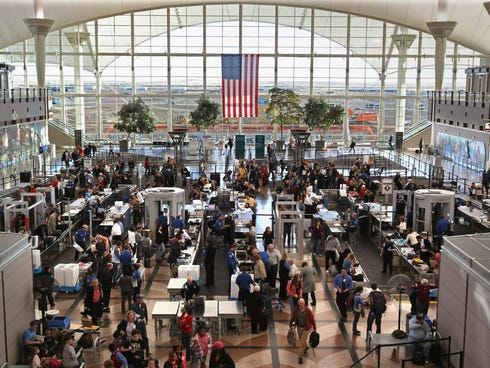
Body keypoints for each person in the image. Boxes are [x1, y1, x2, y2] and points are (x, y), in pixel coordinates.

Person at [289, 298, 317, 365]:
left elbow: (312, 319)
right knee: (302, 340)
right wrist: (290, 324)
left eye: (303, 303)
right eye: (301, 303)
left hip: (306, 328)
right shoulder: (296, 310)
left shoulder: (307, 310)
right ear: (299, 303)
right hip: (299, 327)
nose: (302, 304)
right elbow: (293, 317)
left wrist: (315, 327)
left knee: (301, 343)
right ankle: (306, 346)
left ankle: (300, 357)